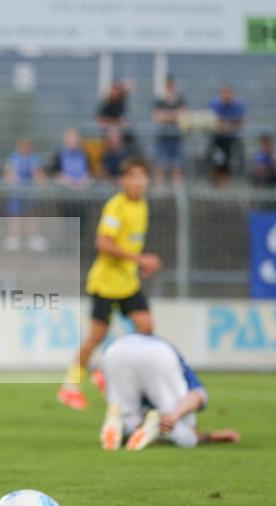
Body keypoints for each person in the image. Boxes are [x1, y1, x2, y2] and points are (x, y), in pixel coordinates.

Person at [57, 158, 160, 410]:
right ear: (123, 181)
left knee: (146, 329)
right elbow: (103, 243)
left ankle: (113, 373)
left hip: (128, 282)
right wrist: (139, 259)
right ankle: (70, 387)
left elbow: (130, 241)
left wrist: (138, 265)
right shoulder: (116, 206)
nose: (138, 182)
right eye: (132, 176)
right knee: (96, 336)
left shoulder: (142, 205)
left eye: (141, 176)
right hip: (105, 282)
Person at [99, 333, 240, 451]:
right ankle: (153, 428)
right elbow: (198, 395)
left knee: (126, 416)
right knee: (179, 427)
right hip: (158, 353)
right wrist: (174, 416)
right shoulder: (174, 366)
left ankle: (123, 425)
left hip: (115, 349)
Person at [2, 138, 48, 252]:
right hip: (16, 193)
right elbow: (7, 175)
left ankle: (33, 238)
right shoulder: (13, 158)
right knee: (15, 216)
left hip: (30, 194)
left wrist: (38, 179)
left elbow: (41, 176)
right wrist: (11, 178)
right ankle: (14, 237)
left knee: (31, 216)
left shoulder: (34, 159)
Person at [208, 85, 245, 186]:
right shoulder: (215, 104)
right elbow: (214, 122)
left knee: (227, 167)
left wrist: (225, 124)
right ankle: (217, 186)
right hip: (218, 141)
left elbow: (239, 122)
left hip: (231, 141)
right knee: (217, 164)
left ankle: (225, 187)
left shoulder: (238, 105)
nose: (226, 96)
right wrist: (229, 123)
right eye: (224, 93)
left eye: (228, 93)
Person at [152, 76, 186, 186]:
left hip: (177, 136)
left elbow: (183, 116)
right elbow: (158, 117)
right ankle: (159, 189)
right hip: (163, 137)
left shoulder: (180, 99)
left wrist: (167, 115)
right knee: (160, 164)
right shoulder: (160, 100)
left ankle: (177, 189)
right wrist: (174, 115)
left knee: (177, 165)